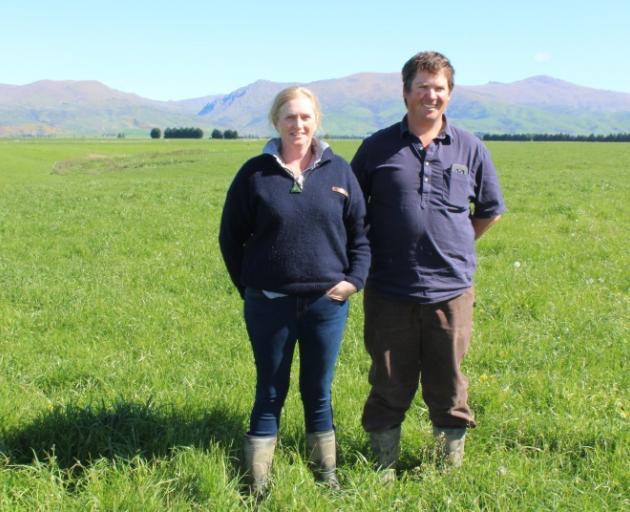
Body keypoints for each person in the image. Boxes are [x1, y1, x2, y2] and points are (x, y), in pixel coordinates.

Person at [351, 51, 506, 475]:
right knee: (387, 381)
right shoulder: (376, 148)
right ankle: (383, 466)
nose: (430, 96)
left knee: (449, 383)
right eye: (422, 87)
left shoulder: (469, 147)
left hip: (451, 290)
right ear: (406, 93)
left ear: (449, 95)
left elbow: (489, 208)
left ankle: (445, 470)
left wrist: (453, 243)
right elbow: (351, 212)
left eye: (439, 88)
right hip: (389, 288)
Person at [219, 86, 370, 494]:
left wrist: (353, 281)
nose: (298, 124)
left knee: (317, 391)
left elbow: (361, 234)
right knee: (270, 389)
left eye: (305, 117)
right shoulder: (255, 174)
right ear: (276, 122)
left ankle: (326, 476)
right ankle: (256, 483)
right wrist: (252, 287)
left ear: (316, 120)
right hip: (269, 304)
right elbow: (231, 238)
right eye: (290, 117)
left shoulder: (339, 172)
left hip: (327, 303)